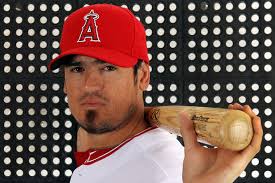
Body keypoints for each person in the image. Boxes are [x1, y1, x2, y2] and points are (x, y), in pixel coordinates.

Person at [48, 4, 263, 183]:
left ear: (142, 77)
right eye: (77, 69)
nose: (89, 85)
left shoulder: (164, 172)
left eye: (108, 68)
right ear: (65, 82)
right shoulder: (108, 146)